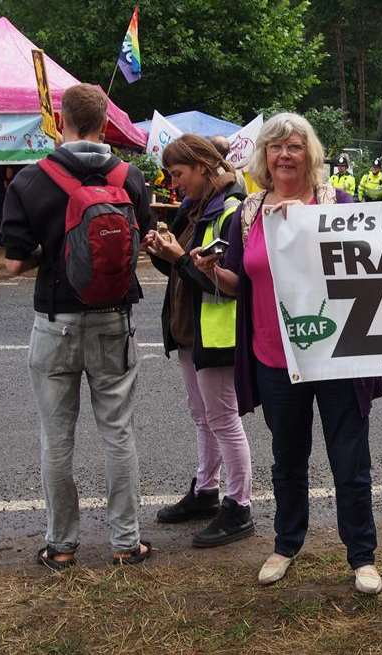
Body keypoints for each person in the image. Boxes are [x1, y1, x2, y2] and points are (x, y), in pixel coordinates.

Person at [190, 112, 382, 595]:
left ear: (310, 154)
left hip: (336, 356)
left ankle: (362, 556)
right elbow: (239, 280)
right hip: (274, 357)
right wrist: (211, 270)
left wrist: (308, 225)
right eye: (275, 147)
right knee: (287, 459)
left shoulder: (337, 202)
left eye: (294, 147)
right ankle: (285, 544)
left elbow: (375, 263)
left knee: (350, 461)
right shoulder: (248, 212)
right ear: (264, 156)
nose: (284, 156)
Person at [1, 83, 153, 570]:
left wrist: (55, 249)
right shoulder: (131, 178)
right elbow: (140, 246)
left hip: (55, 322)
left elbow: (13, 264)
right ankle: (126, 542)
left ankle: (61, 545)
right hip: (113, 320)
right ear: (106, 121)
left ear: (60, 119)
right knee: (118, 433)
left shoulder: (30, 180)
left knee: (56, 437)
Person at [142, 134, 255, 548]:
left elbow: (229, 283)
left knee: (223, 418)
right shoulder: (192, 208)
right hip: (190, 327)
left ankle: (239, 504)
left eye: (178, 174)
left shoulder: (230, 210)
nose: (174, 184)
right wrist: (160, 251)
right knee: (202, 415)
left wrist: (177, 258)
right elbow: (181, 268)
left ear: (203, 168)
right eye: (170, 175)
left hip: (216, 329)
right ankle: (207, 490)